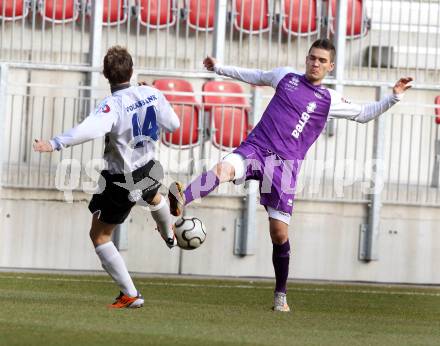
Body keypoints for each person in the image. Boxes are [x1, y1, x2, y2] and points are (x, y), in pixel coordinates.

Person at [168, 38, 413, 312]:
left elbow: (365, 114)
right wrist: (220, 68)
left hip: (284, 168)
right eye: (312, 57)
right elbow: (256, 76)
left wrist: (394, 96)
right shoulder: (285, 76)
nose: (315, 63)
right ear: (306, 59)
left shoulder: (329, 99)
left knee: (279, 234)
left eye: (322, 60)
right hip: (256, 148)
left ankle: (280, 295)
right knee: (222, 170)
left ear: (330, 66)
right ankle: (179, 201)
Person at [33, 46, 180, 309]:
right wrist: (153, 96)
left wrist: (55, 143)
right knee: (154, 194)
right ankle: (168, 232)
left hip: (121, 180)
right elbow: (175, 125)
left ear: (105, 74)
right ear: (132, 70)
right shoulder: (152, 93)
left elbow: (87, 130)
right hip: (150, 167)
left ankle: (131, 295)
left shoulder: (112, 105)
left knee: (99, 235)